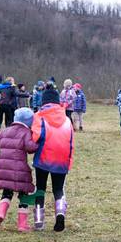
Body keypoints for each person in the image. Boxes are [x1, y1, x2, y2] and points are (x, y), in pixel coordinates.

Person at [0, 108, 39, 232]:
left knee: (6, 193)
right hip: (20, 172)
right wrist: (39, 143)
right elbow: (30, 148)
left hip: (4, 170)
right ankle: (22, 225)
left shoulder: (5, 131)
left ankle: (0, 213)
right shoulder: (26, 132)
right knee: (24, 197)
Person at [31, 86, 74, 232]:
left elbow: (34, 138)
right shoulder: (67, 120)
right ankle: (60, 213)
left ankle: (38, 221)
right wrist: (69, 162)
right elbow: (71, 143)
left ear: (43, 102)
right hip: (62, 159)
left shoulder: (39, 116)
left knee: (40, 189)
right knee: (58, 189)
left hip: (43, 158)